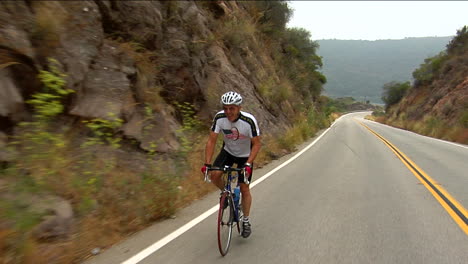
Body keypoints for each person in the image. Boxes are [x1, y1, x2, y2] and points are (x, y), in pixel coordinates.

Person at [201, 91, 261, 238]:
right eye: (226, 108)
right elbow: (211, 141)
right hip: (228, 151)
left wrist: (248, 164)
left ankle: (245, 221)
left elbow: (257, 144)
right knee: (214, 175)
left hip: (245, 156)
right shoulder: (220, 117)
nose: (228, 112)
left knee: (244, 188)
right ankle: (225, 193)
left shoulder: (249, 121)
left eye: (232, 108)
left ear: (239, 108)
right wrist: (207, 164)